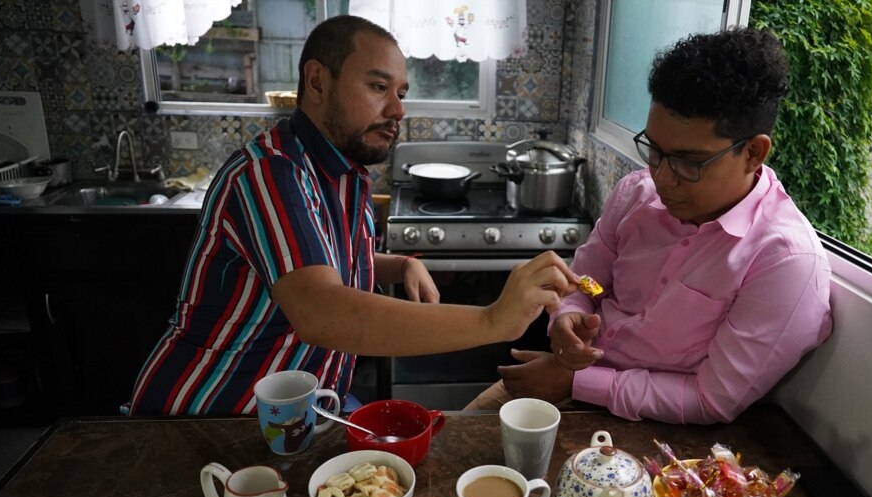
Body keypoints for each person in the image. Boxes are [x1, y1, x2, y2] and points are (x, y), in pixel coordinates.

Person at [129, 15, 577, 416]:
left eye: (400, 93)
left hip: (301, 413)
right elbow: (323, 311)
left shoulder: (347, 173)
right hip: (208, 418)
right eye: (379, 88)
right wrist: (492, 319)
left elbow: (325, 260)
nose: (399, 109)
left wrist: (401, 264)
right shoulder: (269, 174)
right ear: (318, 82)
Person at [465, 27, 833, 424]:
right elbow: (590, 280)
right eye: (654, 151)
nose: (662, 178)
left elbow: (711, 399)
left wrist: (577, 383)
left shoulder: (784, 261)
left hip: (661, 430)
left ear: (753, 153)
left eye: (689, 162)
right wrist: (570, 313)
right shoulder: (636, 195)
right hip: (559, 379)